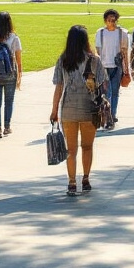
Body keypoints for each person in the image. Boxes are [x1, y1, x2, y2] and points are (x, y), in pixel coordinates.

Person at [50, 25, 104, 195]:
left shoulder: (64, 59)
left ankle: (72, 182)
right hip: (89, 108)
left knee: (71, 150)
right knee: (87, 146)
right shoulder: (94, 59)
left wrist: (54, 110)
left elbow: (58, 87)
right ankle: (86, 178)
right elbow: (103, 83)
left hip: (68, 109)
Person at [0, 12, 23, 138]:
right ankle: (7, 127)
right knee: (9, 101)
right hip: (10, 73)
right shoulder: (14, 38)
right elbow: (18, 59)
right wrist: (19, 75)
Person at [95, 9, 130, 128]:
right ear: (105, 21)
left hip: (117, 67)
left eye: (114, 20)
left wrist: (126, 69)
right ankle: (107, 115)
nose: (112, 22)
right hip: (104, 66)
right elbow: (98, 51)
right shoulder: (100, 33)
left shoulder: (122, 33)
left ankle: (112, 114)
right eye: (109, 20)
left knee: (114, 92)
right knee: (106, 93)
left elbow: (124, 52)